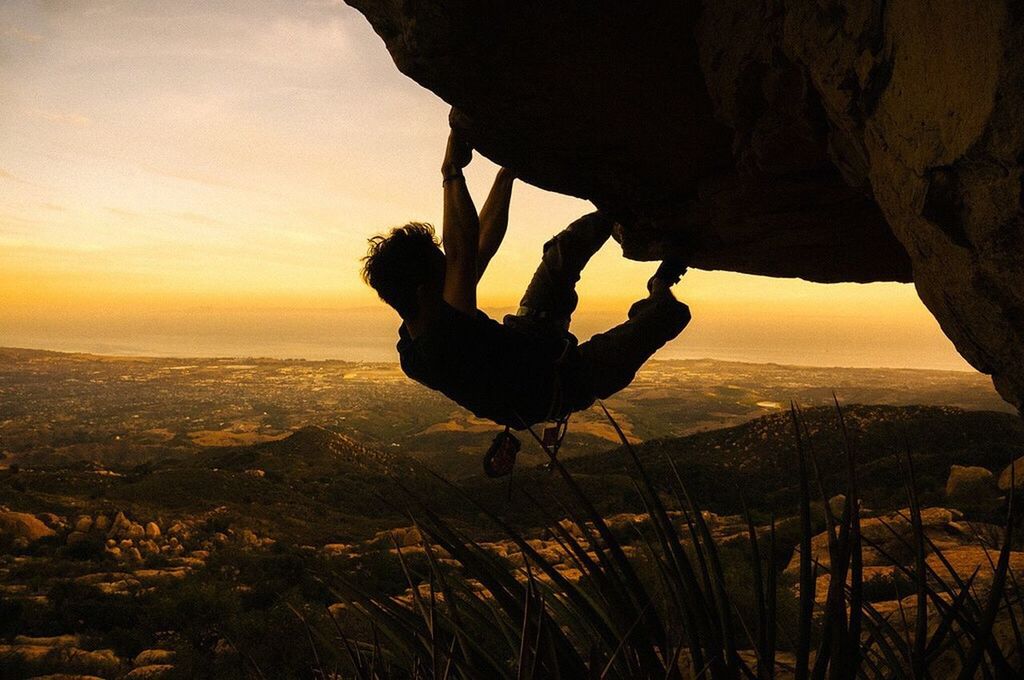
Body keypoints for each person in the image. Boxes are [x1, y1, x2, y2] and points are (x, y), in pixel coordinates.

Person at [361, 127, 691, 437]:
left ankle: (626, 211)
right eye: (442, 267)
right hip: (567, 381)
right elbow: (463, 253)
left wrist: (508, 173)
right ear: (424, 291)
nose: (454, 268)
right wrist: (451, 172)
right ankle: (661, 283)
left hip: (532, 333)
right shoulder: (439, 348)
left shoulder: (422, 324)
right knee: (665, 314)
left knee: (564, 250)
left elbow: (478, 249)